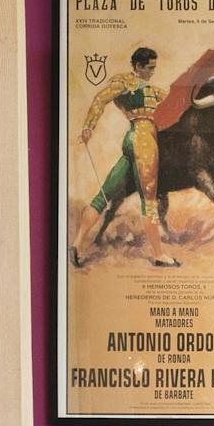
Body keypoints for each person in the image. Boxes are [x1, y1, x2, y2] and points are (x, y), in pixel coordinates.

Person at [70, 44, 171, 267]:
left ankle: (77, 244)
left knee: (104, 194)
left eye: (154, 68)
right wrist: (88, 127)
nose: (152, 72)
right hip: (144, 140)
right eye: (149, 68)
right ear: (137, 66)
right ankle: (159, 255)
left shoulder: (151, 89)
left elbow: (175, 104)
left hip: (132, 141)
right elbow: (100, 99)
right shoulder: (127, 82)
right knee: (149, 200)